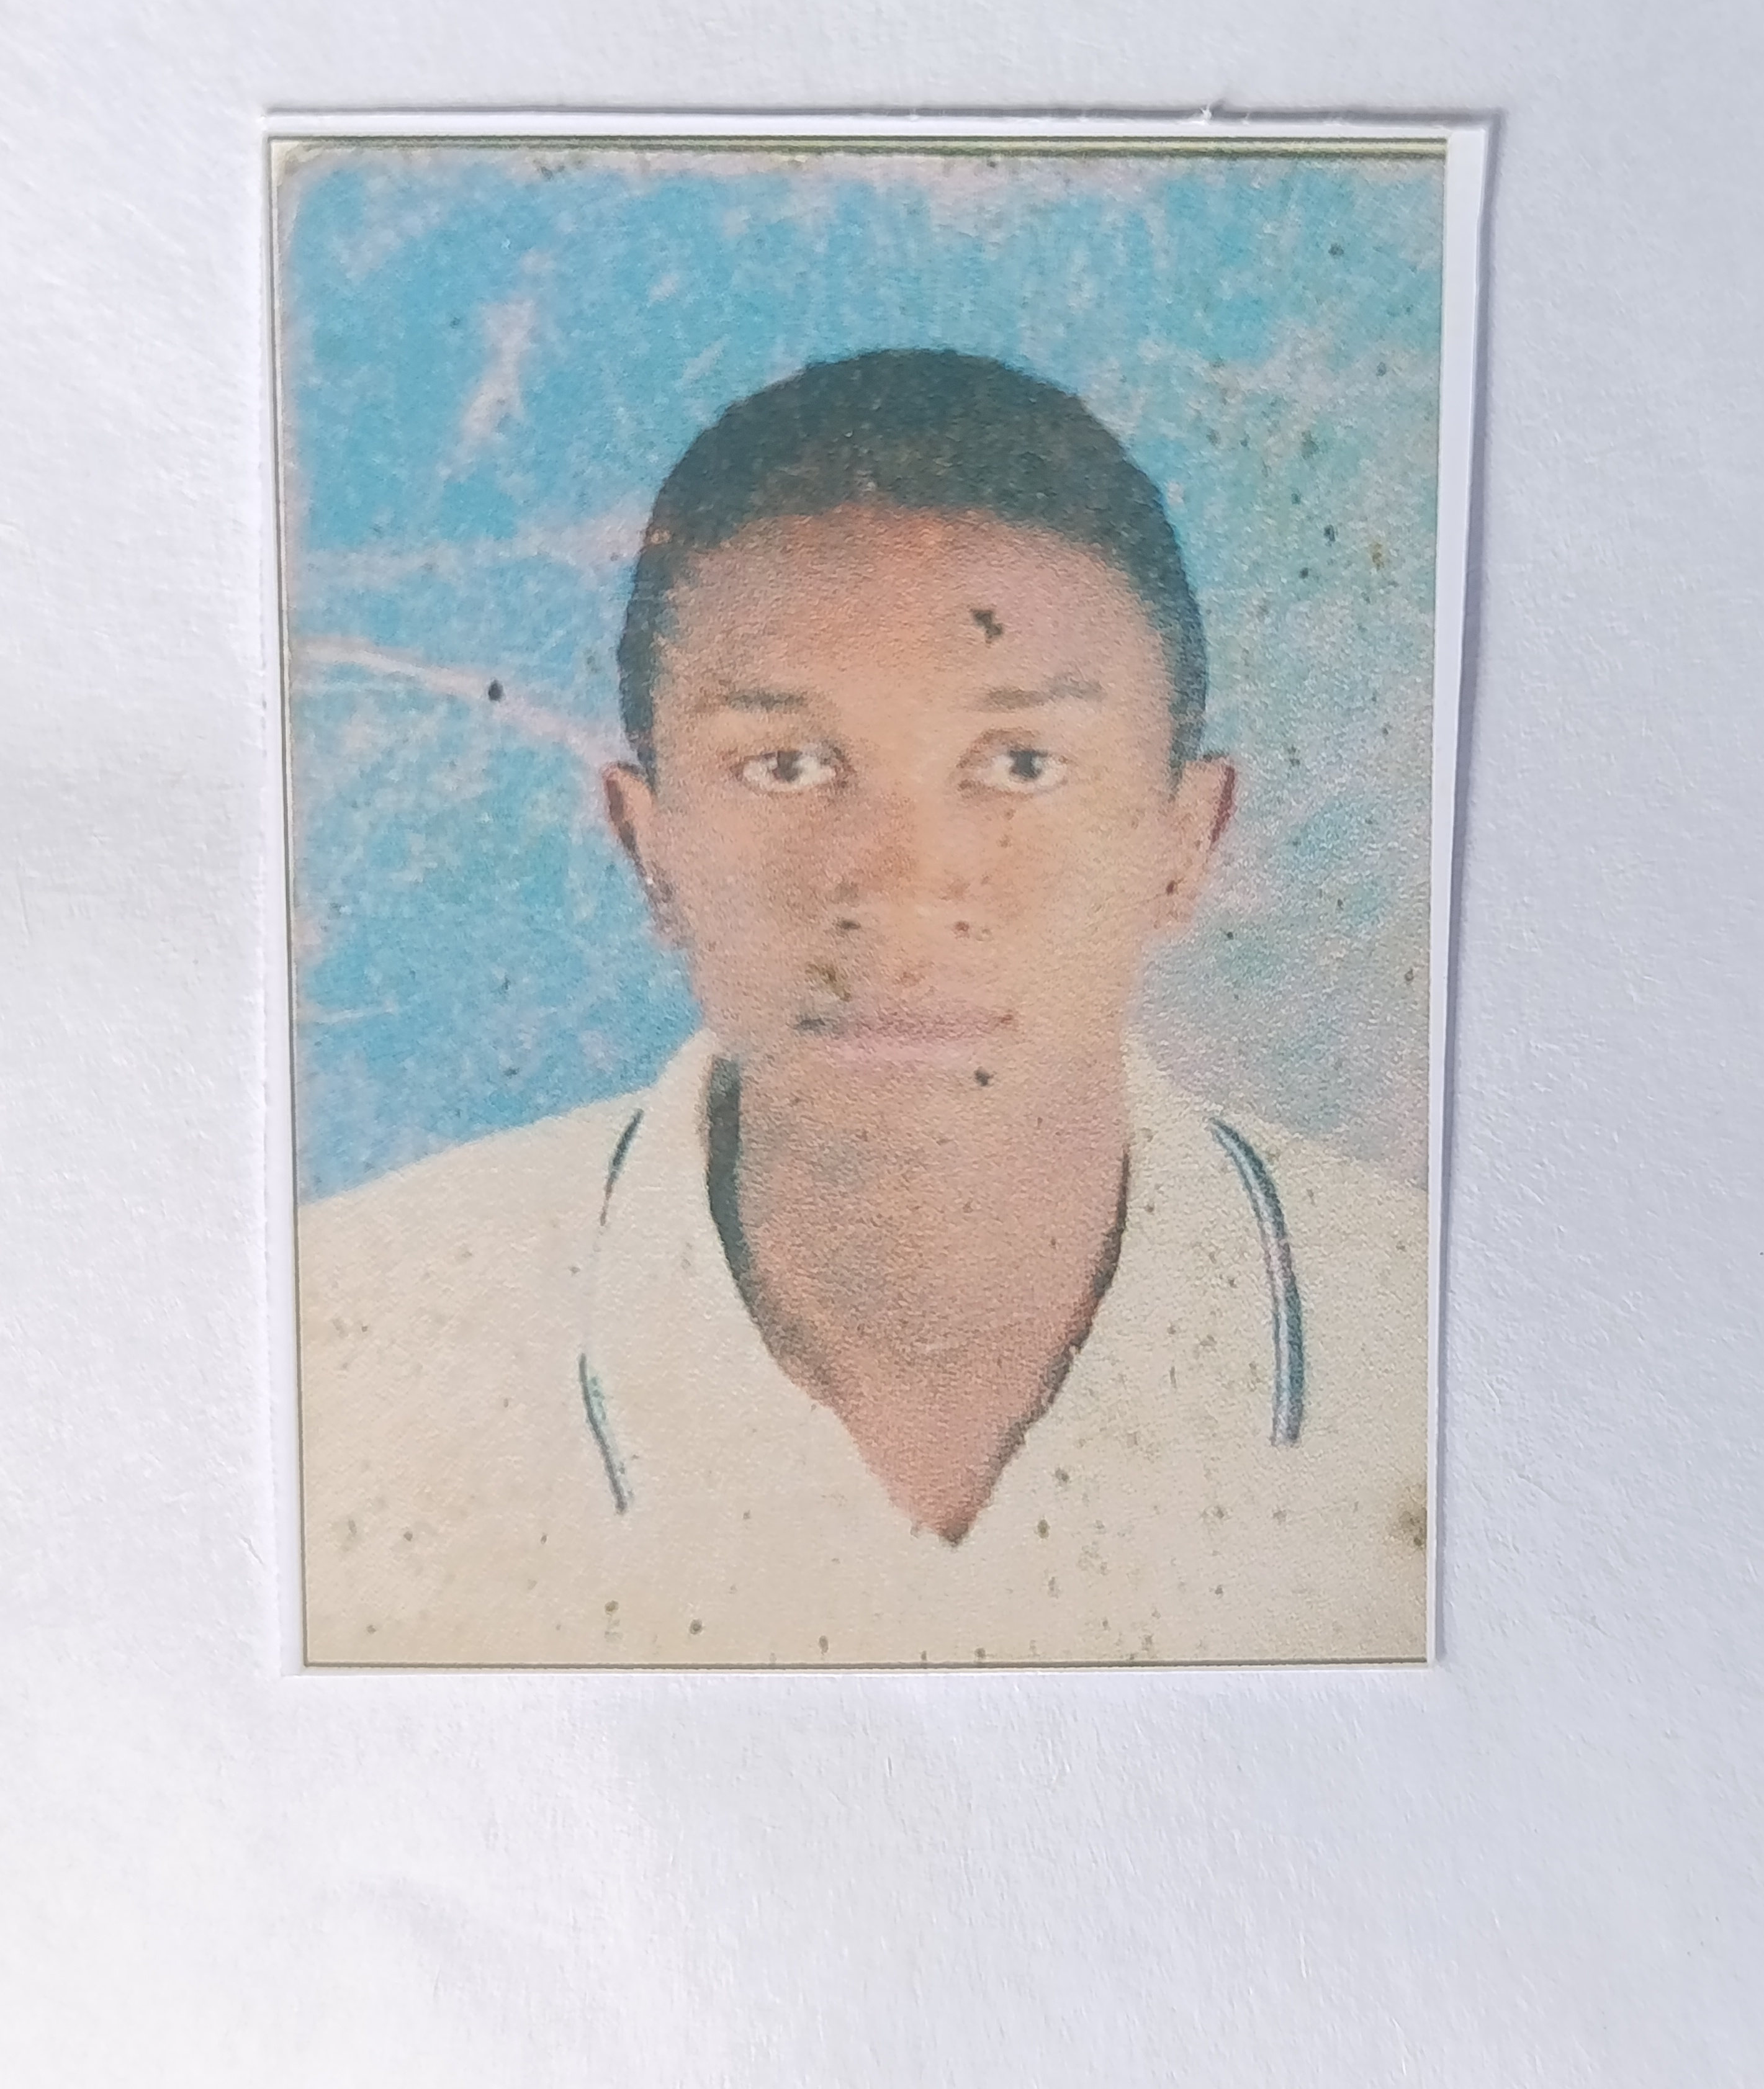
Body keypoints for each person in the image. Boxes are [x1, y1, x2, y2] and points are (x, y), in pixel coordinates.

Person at [299, 351, 1428, 1666]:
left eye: (1021, 764)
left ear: (1187, 840)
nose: (901, 885)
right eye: (786, 765)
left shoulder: (1433, 1346)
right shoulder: (349, 1346)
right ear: (649, 847)